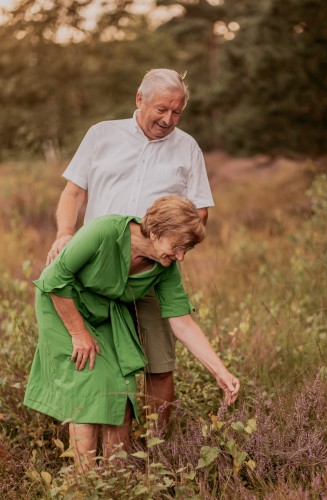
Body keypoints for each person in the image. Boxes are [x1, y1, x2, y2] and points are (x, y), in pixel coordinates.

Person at [46, 68, 215, 422]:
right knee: (97, 361)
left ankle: (158, 451)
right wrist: (65, 232)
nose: (169, 119)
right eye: (161, 109)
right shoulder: (101, 135)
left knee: (159, 363)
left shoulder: (187, 148)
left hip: (151, 271)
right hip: (97, 269)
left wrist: (165, 247)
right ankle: (101, 455)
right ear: (140, 99)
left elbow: (199, 211)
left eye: (177, 112)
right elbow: (74, 192)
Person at [25, 195, 240, 469]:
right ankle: (83, 480)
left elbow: (182, 321)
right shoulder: (104, 231)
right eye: (177, 246)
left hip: (105, 312)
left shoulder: (166, 267)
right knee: (89, 385)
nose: (181, 256)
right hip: (63, 306)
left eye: (186, 249)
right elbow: (54, 280)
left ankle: (117, 477)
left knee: (122, 389)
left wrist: (221, 372)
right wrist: (79, 334)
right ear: (154, 231)